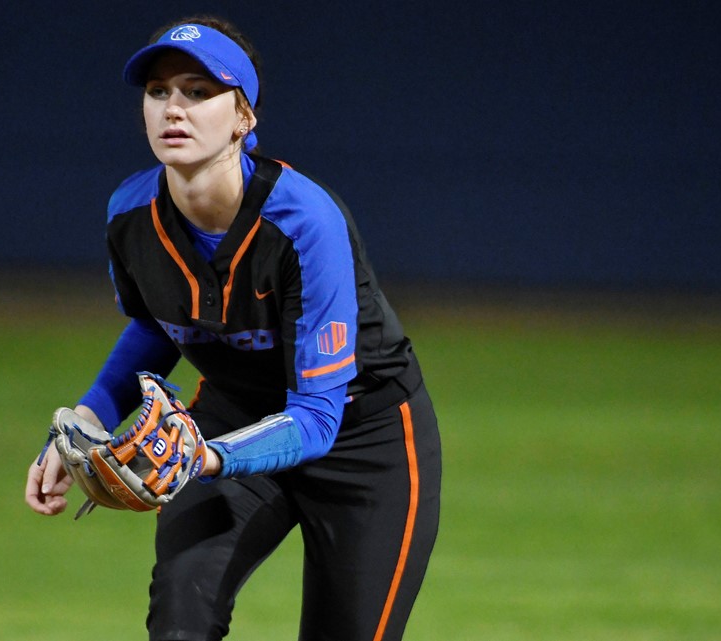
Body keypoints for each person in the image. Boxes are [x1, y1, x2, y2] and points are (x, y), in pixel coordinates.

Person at [25, 15, 442, 641]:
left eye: (199, 91)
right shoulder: (129, 215)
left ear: (243, 118)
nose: (174, 108)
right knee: (179, 618)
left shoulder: (305, 222)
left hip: (363, 436)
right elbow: (159, 326)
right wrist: (89, 416)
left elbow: (317, 419)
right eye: (159, 91)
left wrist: (205, 457)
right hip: (231, 416)